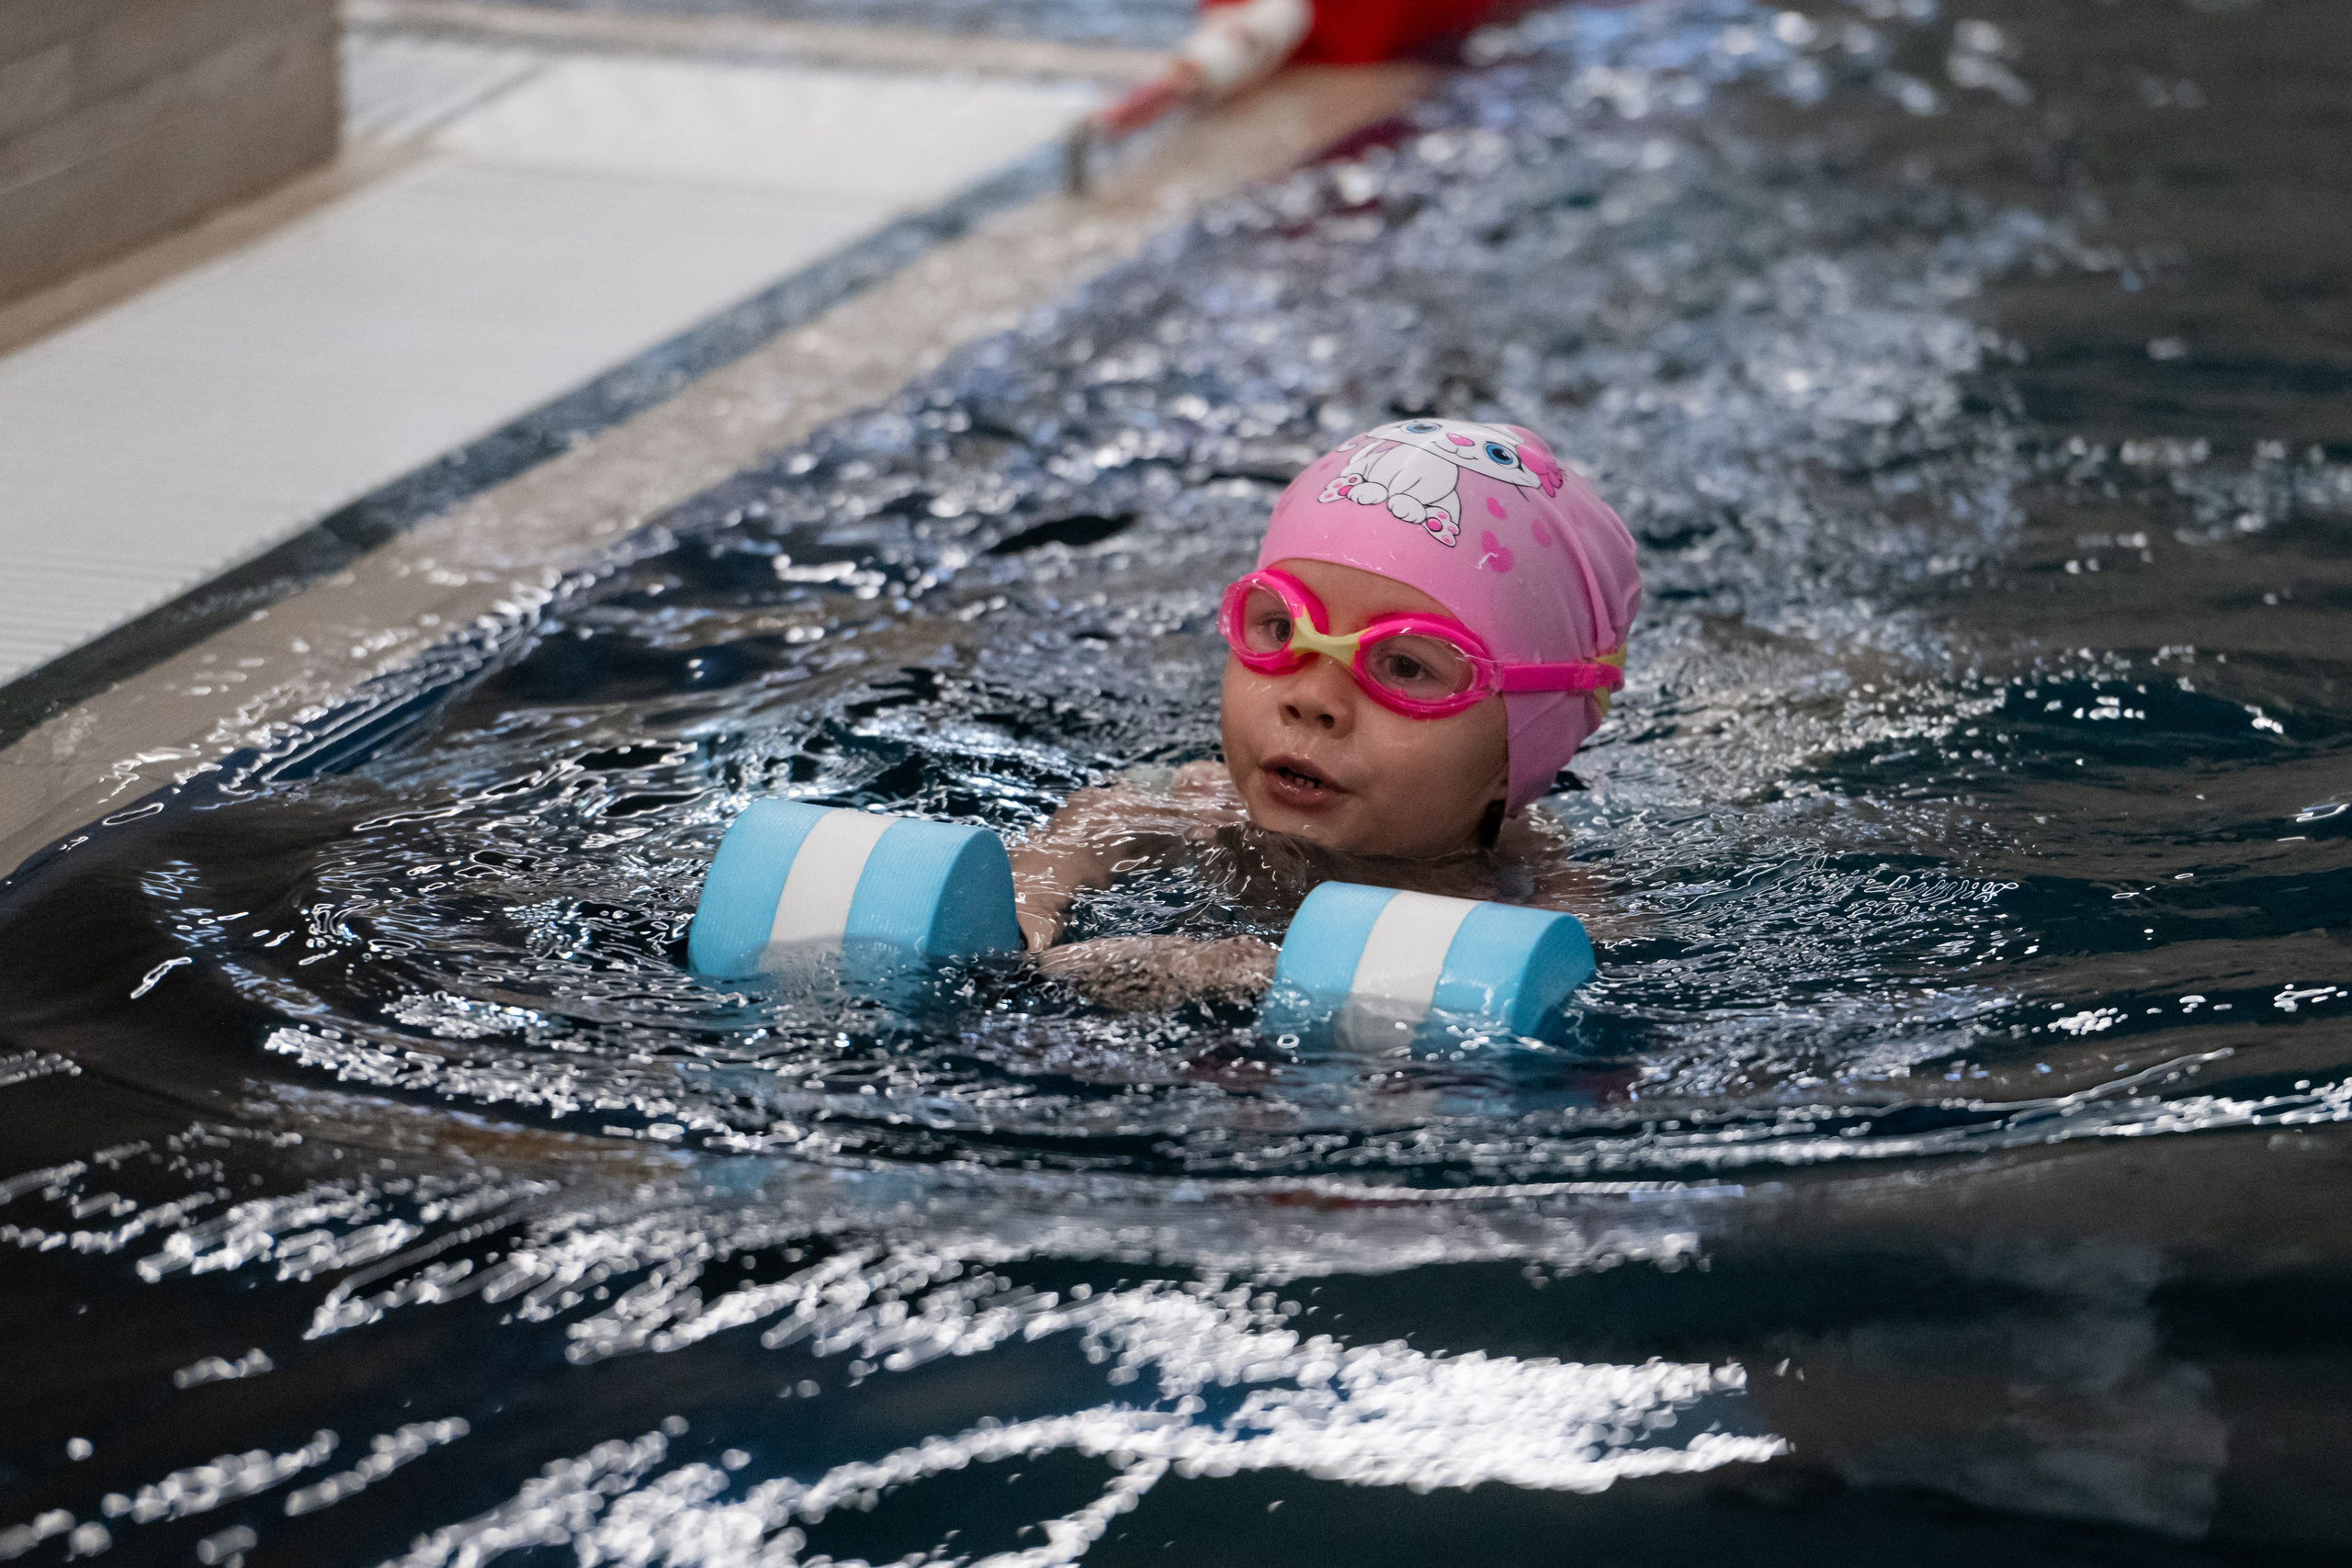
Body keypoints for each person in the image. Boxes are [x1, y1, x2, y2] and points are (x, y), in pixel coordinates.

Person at [1011, 419, 1642, 1010]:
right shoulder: (1208, 802)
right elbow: (1107, 814)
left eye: (1403, 667)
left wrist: (1242, 974)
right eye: (1281, 626)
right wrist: (1036, 888)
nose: (1312, 698)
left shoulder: (1536, 907)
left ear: (1519, 748)